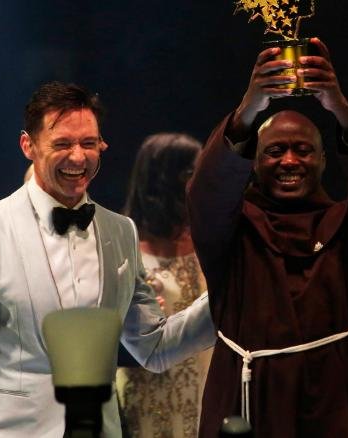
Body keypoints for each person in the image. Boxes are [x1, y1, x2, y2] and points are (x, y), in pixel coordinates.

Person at [0, 81, 216, 437]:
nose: (78, 157)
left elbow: (153, 346)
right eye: (63, 144)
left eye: (88, 143)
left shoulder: (121, 231)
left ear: (102, 145)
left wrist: (227, 294)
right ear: (28, 146)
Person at [187, 37, 348, 437]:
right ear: (253, 162)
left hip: (337, 401)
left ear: (323, 160)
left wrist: (340, 107)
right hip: (248, 400)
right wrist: (249, 108)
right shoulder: (232, 231)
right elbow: (207, 193)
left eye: (303, 150)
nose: (289, 161)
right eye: (275, 151)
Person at [116, 132, 212, 437]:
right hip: (146, 394)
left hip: (204, 386)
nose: (198, 182)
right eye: (189, 173)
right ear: (161, 180)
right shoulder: (123, 249)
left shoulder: (208, 240)